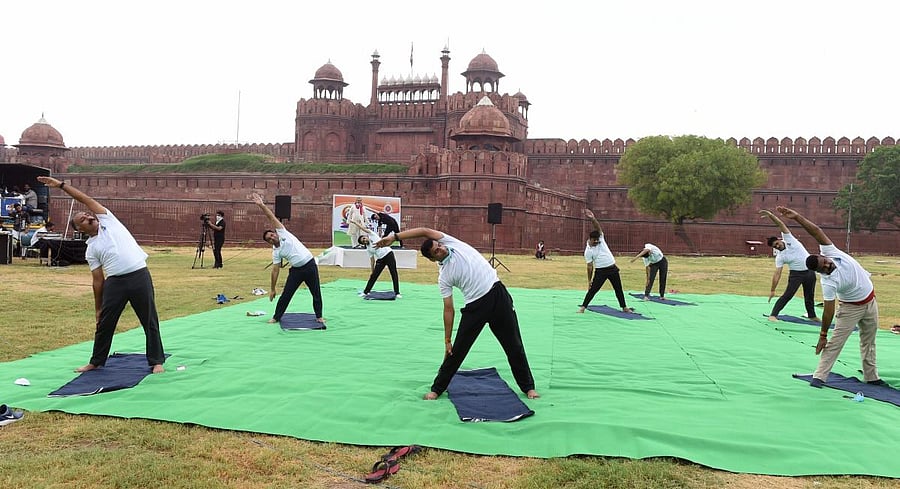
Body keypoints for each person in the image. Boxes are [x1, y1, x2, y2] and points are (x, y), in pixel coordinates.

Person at [376, 228, 539, 401]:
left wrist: (393, 237)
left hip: (498, 295)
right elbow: (448, 309)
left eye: (439, 245)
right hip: (475, 307)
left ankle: (528, 387)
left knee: (514, 345)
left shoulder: (452, 243)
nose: (441, 248)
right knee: (457, 351)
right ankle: (437, 388)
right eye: (436, 250)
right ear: (433, 259)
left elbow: (424, 231)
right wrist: (447, 340)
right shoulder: (444, 276)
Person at [36, 176, 165, 374]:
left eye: (88, 215)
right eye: (83, 220)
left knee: (149, 319)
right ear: (80, 229)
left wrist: (61, 186)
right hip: (115, 283)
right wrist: (98, 308)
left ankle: (156, 361)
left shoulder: (108, 221)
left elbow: (85, 199)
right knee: (105, 323)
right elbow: (97, 281)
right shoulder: (91, 249)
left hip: (139, 275)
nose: (88, 217)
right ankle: (96, 361)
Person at [775, 206, 885, 388]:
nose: (827, 266)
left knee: (869, 341)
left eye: (825, 262)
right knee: (835, 343)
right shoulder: (828, 282)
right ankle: (819, 377)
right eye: (823, 268)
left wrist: (797, 217)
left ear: (822, 255)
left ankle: (871, 376)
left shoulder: (830, 252)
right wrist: (823, 334)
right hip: (850, 308)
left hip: (871, 302)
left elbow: (816, 232)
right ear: (819, 272)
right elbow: (828, 310)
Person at [251, 193, 325, 325]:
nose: (272, 237)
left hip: (310, 265)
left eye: (271, 235)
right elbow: (275, 270)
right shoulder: (276, 252)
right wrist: (273, 289)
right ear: (269, 242)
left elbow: (271, 217)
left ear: (275, 233)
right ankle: (276, 317)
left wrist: (261, 205)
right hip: (296, 271)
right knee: (286, 294)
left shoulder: (283, 232)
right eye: (269, 239)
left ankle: (319, 316)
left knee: (316, 292)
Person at [759, 209, 818, 322]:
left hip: (809, 272)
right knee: (788, 295)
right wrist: (772, 290)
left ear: (779, 239)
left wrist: (771, 215)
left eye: (777, 244)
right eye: (775, 247)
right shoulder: (780, 257)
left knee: (809, 296)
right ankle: (773, 314)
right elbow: (777, 273)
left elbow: (781, 224)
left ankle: (812, 316)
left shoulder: (790, 239)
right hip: (796, 275)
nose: (777, 246)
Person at [578, 209, 633, 314]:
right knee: (593, 290)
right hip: (600, 272)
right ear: (590, 239)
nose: (597, 241)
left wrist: (593, 218)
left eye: (598, 239)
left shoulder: (601, 239)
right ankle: (583, 307)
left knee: (618, 289)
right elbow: (589, 266)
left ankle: (624, 307)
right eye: (595, 240)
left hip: (612, 268)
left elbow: (597, 228)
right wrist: (589, 281)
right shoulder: (588, 251)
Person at [349, 220, 400, 297]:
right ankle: (366, 292)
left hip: (389, 254)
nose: (365, 241)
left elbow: (363, 228)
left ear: (365, 236)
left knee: (393, 273)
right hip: (381, 259)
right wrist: (372, 270)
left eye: (364, 239)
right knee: (373, 276)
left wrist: (355, 222)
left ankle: (397, 293)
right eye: (363, 242)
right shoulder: (369, 249)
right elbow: (372, 260)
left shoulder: (372, 234)